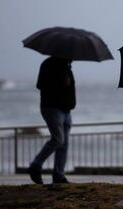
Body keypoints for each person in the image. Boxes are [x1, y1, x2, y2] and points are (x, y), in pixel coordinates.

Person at [28, 56, 76, 184]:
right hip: (52, 108)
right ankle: (35, 165)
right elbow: (40, 85)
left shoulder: (67, 67)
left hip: (66, 110)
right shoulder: (49, 64)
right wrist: (61, 79)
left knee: (64, 144)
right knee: (58, 139)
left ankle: (59, 175)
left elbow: (69, 88)